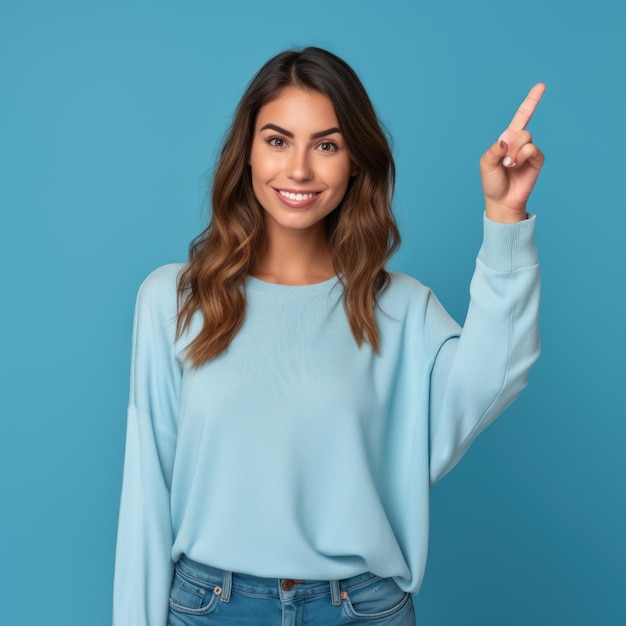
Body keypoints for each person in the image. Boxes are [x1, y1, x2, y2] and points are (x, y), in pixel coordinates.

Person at [113, 47, 544, 626]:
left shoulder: (398, 307)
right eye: (277, 140)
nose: (298, 169)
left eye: (326, 144)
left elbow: (493, 376)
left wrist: (505, 216)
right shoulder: (173, 299)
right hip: (213, 607)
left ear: (355, 163)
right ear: (245, 153)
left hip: (360, 609)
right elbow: (146, 494)